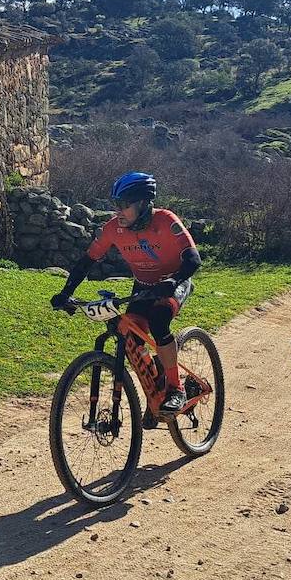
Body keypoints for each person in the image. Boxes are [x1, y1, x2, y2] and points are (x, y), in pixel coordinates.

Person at [50, 171, 202, 420]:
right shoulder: (112, 229)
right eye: (116, 205)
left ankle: (176, 388)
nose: (118, 211)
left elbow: (193, 259)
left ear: (143, 204)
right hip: (143, 285)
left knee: (159, 321)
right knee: (129, 333)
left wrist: (174, 280)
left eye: (124, 205)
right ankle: (157, 389)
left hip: (175, 281)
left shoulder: (165, 220)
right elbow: (87, 261)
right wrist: (66, 292)